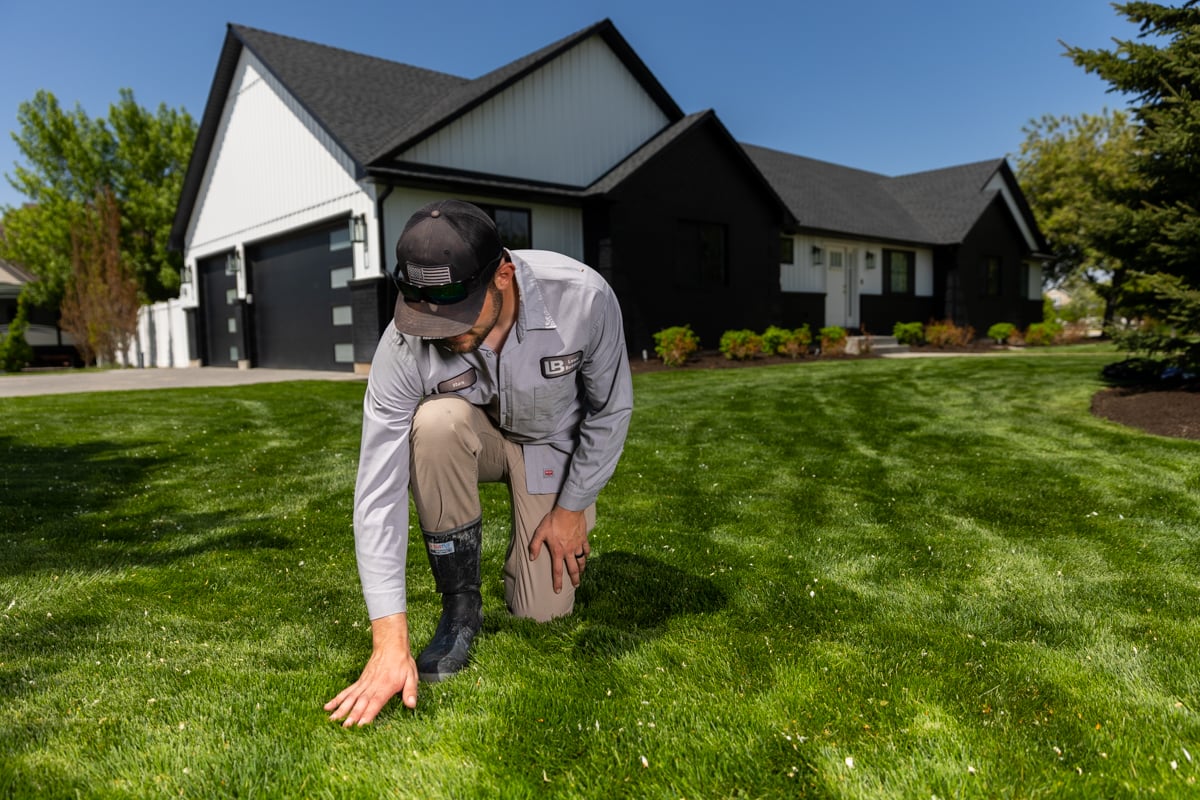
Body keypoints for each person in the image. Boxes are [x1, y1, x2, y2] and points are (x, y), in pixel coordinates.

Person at [325, 199, 633, 726]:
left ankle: (539, 545)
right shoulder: (404, 341)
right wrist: (389, 639)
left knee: (541, 612)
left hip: (550, 447)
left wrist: (571, 509)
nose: (440, 331)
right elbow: (378, 488)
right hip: (470, 435)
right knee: (436, 422)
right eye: (427, 315)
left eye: (456, 313)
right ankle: (460, 605)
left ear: (504, 277)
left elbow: (610, 411)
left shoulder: (584, 299)